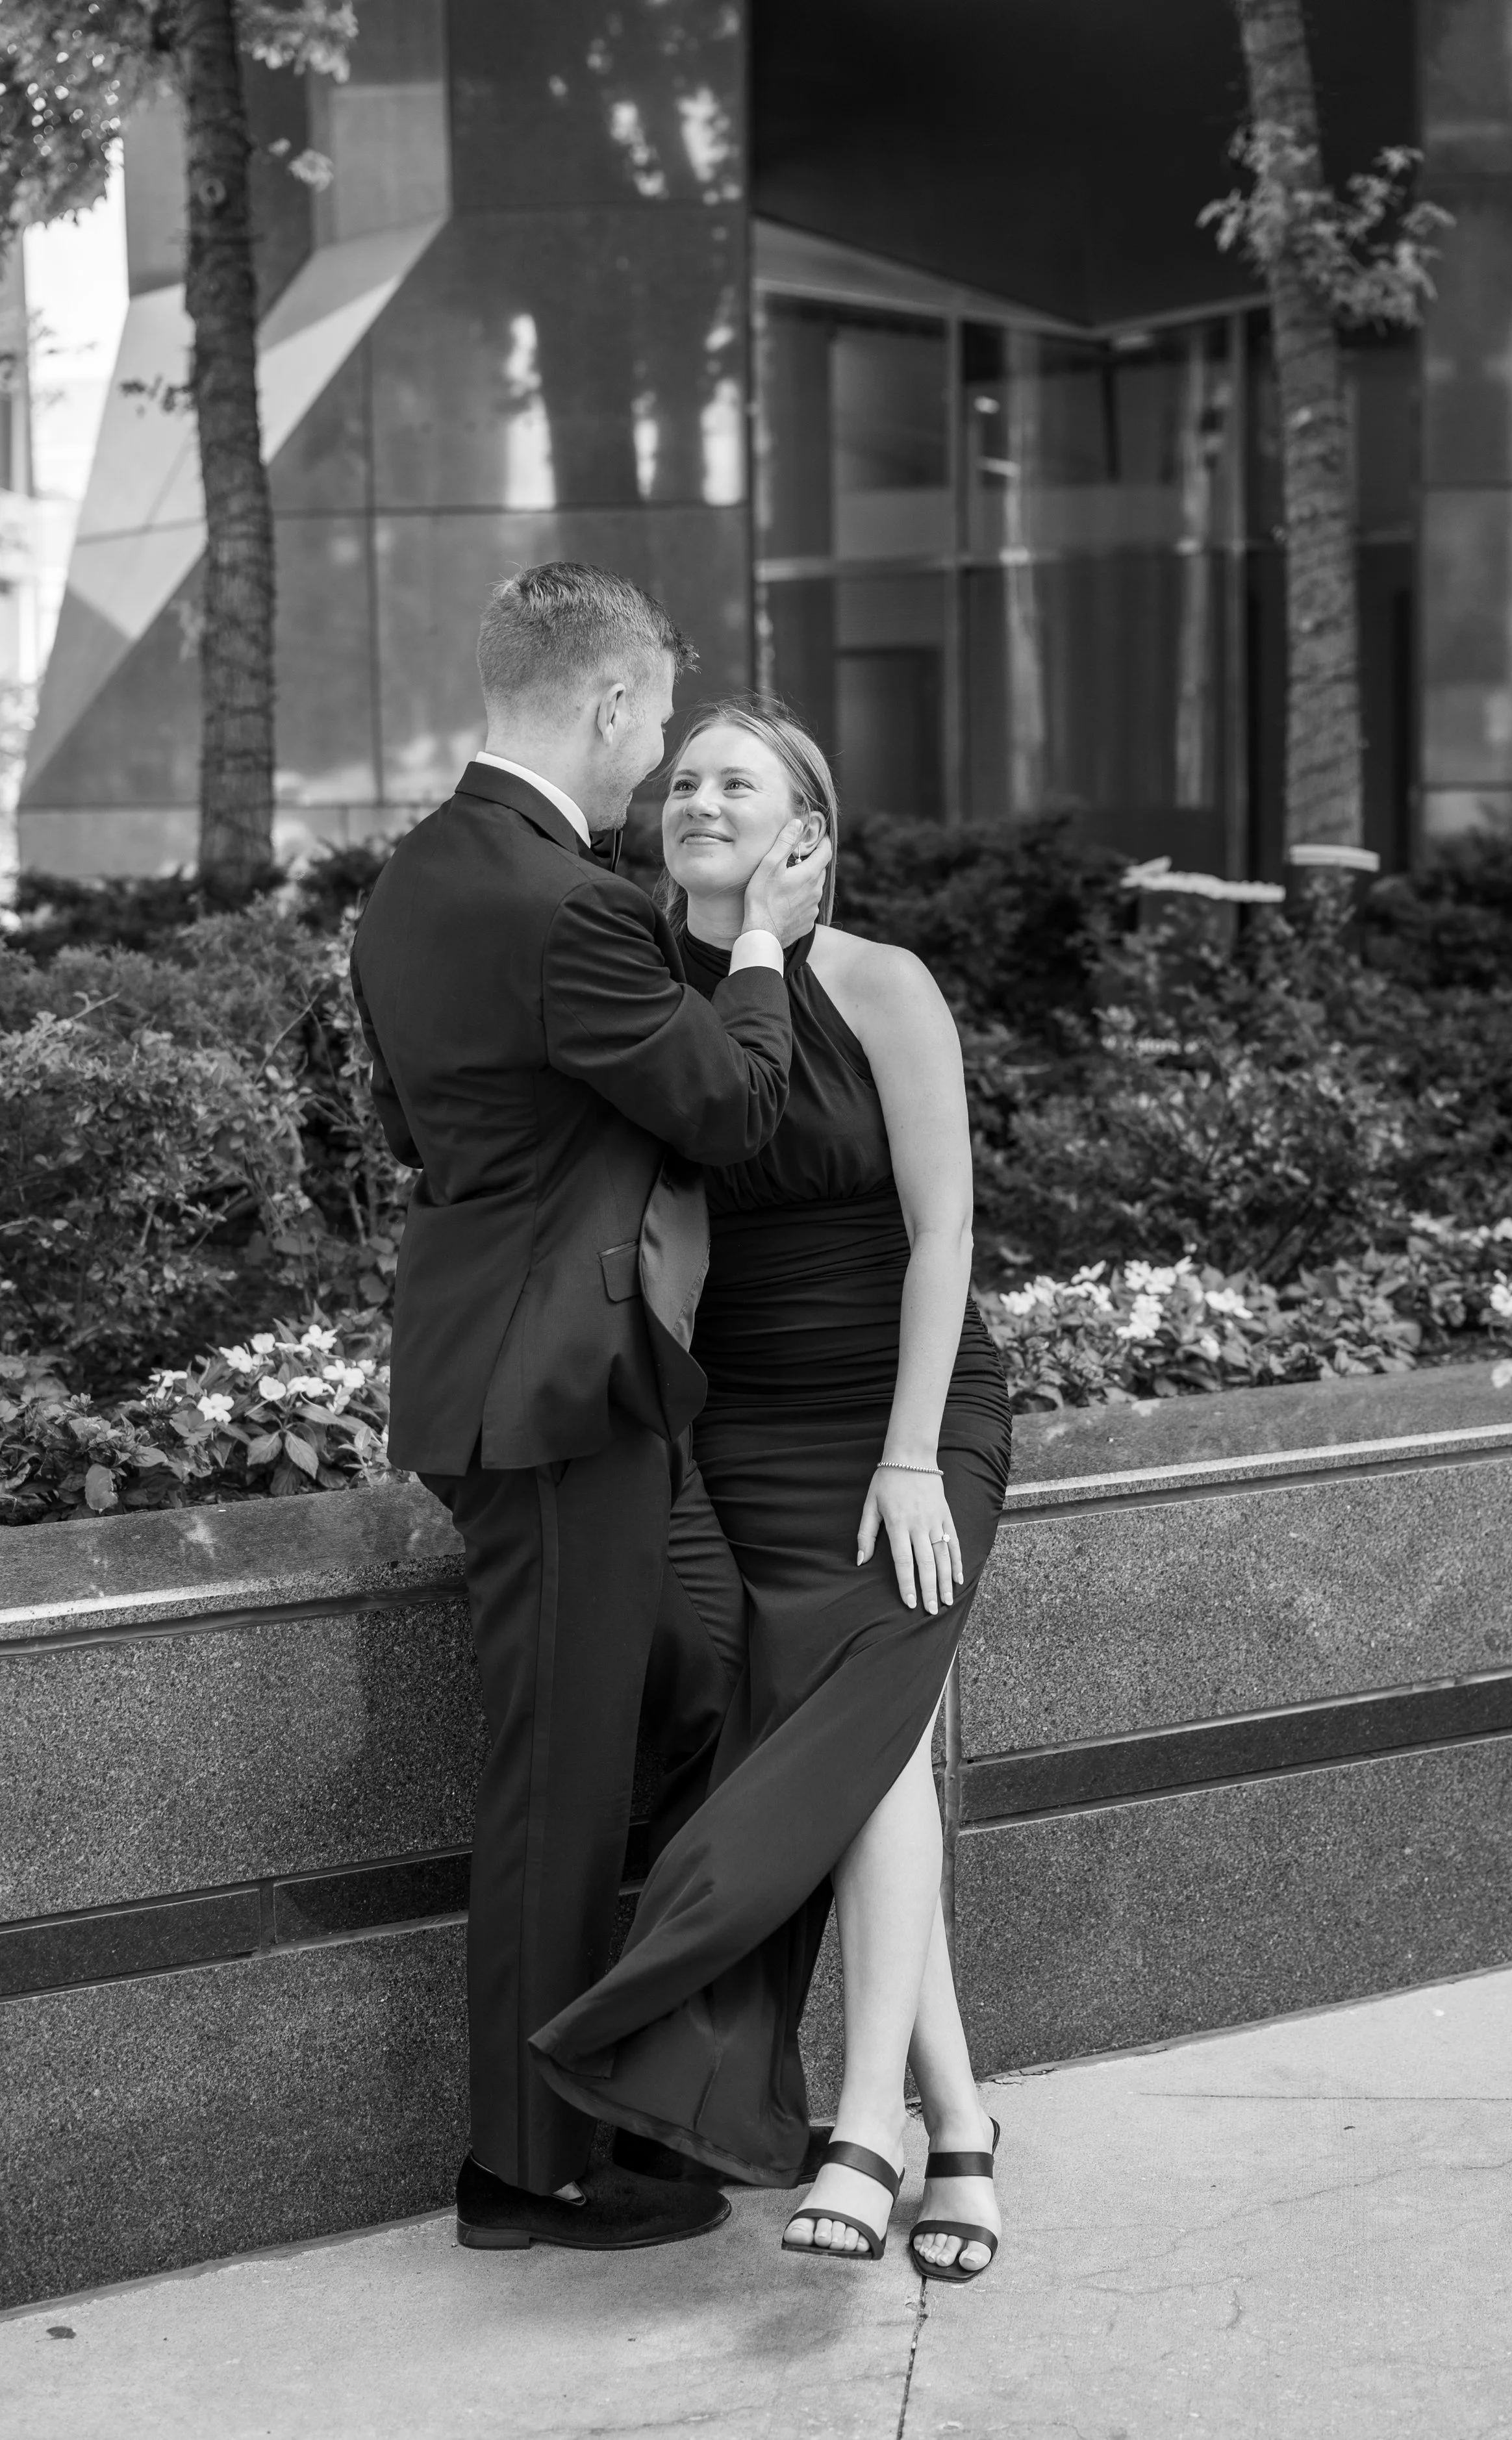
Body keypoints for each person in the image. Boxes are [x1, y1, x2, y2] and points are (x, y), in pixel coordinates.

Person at [350, 573, 830, 2253]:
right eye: (658, 732)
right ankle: (525, 2165)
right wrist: (760, 938)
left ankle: (645, 2083)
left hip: (506, 1356)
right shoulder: (568, 904)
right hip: (555, 1386)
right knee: (557, 1785)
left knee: (685, 1680)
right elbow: (734, 1110)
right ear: (620, 705)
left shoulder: (412, 880)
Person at [533, 698, 1012, 2283]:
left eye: (738, 780)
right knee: (855, 1763)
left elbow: (943, 1233)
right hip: (734, 1430)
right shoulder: (655, 994)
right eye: (681, 782)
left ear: (808, 825)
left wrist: (904, 1454)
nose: (698, 800)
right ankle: (956, 2132)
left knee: (860, 1751)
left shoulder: (881, 984)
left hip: (905, 1416)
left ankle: (868, 2128)